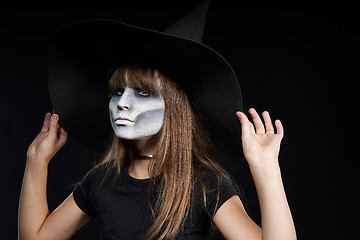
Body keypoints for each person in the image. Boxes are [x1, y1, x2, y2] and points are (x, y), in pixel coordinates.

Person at [18, 3, 296, 239]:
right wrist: (36, 162)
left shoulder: (202, 183)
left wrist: (266, 167)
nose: (122, 103)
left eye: (143, 92)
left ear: (173, 109)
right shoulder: (102, 181)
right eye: (117, 91)